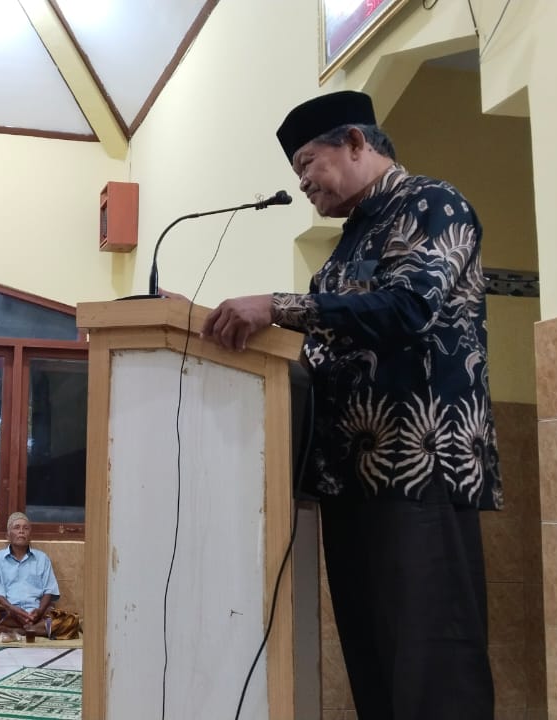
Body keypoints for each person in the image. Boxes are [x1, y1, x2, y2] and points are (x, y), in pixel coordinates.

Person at [199, 90, 498, 718]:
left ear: (356, 143)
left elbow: (407, 308)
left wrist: (276, 306)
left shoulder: (433, 204)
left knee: (432, 669)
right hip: (350, 479)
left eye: (307, 162)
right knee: (374, 665)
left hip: (418, 469)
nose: (303, 182)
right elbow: (319, 345)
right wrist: (201, 325)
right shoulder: (349, 242)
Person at [0, 512, 80, 640]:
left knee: (72, 620)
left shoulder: (42, 558)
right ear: (8, 535)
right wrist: (13, 610)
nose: (21, 531)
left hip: (37, 615)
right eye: (16, 527)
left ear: (30, 535)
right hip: (10, 614)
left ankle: (20, 631)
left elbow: (49, 590)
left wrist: (39, 611)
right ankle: (38, 630)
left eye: (25, 528)